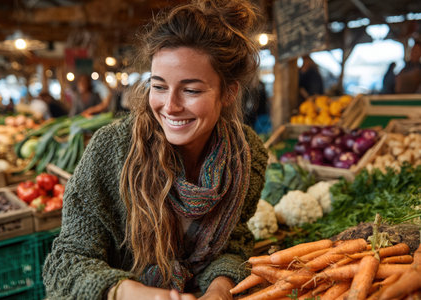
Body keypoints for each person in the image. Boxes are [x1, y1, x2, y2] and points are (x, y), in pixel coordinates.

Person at [42, 0, 268, 299]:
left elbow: (233, 243)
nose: (170, 106)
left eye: (191, 90)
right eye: (159, 86)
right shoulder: (111, 150)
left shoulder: (246, 155)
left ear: (228, 92)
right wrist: (131, 293)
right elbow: (65, 263)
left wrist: (220, 287)